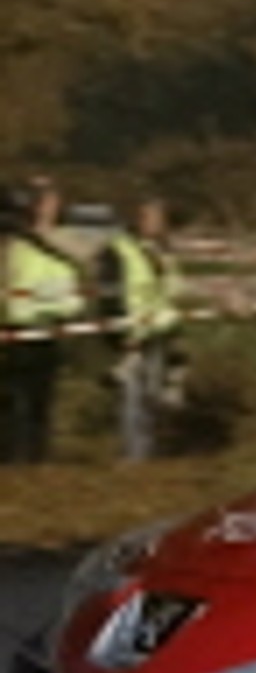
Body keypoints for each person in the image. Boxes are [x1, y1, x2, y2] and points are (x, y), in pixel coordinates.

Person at [0, 177, 87, 465]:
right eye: (45, 201)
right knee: (14, 399)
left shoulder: (59, 242)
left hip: (47, 328)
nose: (50, 207)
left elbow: (78, 268)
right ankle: (13, 457)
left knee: (39, 398)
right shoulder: (12, 241)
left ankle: (33, 457)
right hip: (16, 328)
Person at [98, 195, 186, 461]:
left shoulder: (164, 251)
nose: (153, 223)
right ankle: (133, 455)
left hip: (161, 330)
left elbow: (173, 289)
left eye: (158, 218)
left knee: (156, 394)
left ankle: (150, 451)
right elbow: (110, 293)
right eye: (147, 217)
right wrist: (120, 333)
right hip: (132, 332)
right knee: (133, 397)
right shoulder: (119, 248)